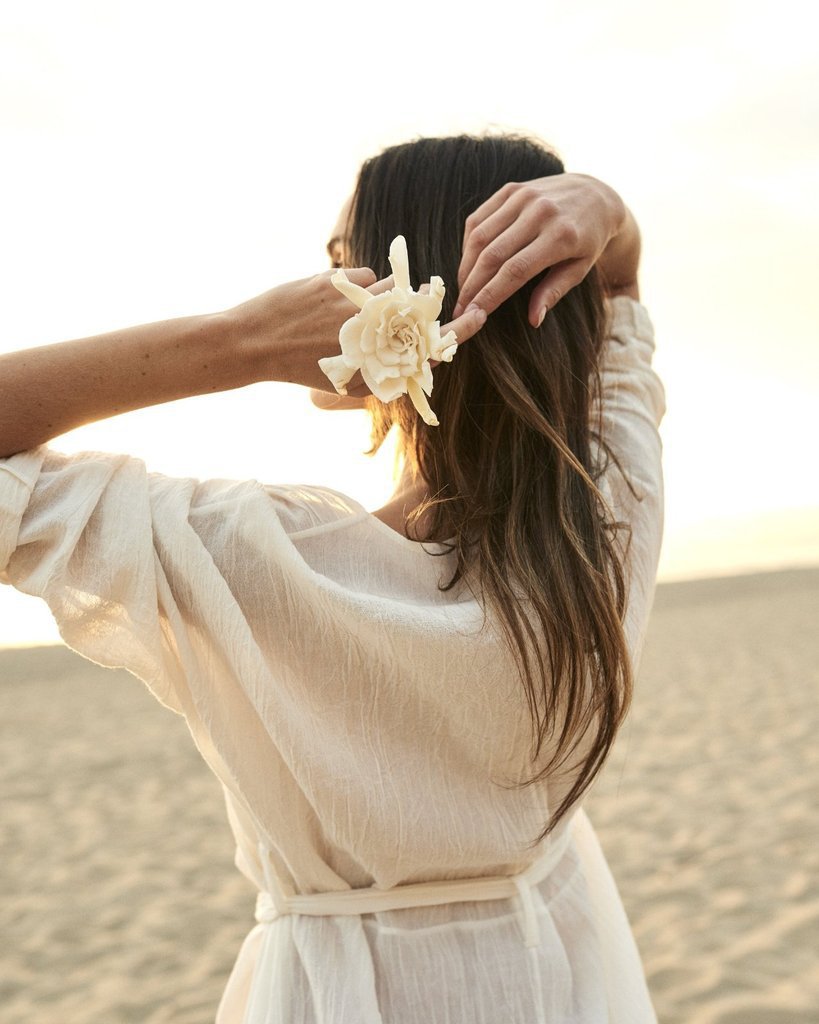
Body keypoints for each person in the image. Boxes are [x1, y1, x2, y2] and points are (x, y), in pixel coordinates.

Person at [0, 133, 664, 1023]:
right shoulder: (605, 514)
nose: (320, 291)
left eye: (338, 267)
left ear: (394, 300)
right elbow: (618, 296)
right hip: (563, 972)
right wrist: (606, 213)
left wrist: (242, 339)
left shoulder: (247, 555)